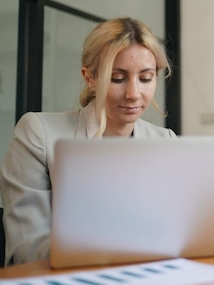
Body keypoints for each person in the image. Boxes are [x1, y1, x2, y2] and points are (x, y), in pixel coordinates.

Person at [0, 17, 176, 266]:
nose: (133, 93)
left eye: (146, 78)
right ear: (90, 78)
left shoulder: (164, 141)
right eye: (117, 78)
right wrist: (112, 246)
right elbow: (24, 250)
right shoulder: (39, 133)